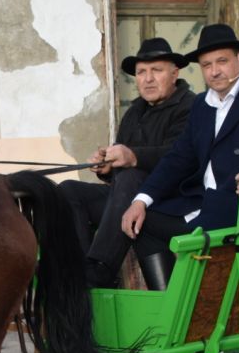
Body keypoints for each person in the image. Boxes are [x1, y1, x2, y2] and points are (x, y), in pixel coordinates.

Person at [119, 24, 239, 285]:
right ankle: (168, 308)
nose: (214, 71)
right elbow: (179, 157)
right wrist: (141, 200)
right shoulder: (202, 104)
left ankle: (192, 311)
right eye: (206, 64)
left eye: (221, 61)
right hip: (202, 202)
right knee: (142, 224)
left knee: (195, 237)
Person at [59, 35, 195, 288]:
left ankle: (101, 269)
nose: (148, 78)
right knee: (68, 191)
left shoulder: (191, 107)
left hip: (169, 203)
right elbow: (120, 174)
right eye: (141, 72)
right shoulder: (134, 112)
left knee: (133, 177)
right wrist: (107, 168)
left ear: (174, 73)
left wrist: (132, 157)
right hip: (127, 198)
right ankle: (80, 267)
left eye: (156, 70)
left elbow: (182, 158)